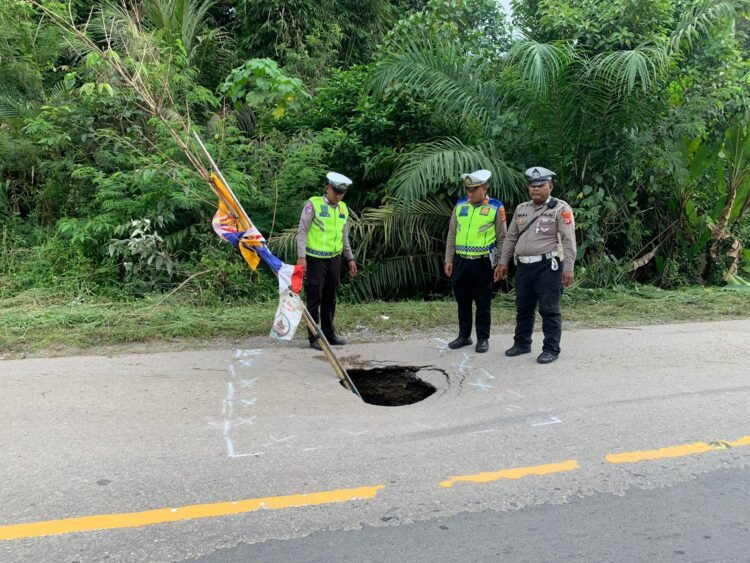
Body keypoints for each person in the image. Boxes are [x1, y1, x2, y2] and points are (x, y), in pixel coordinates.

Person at [497, 166, 576, 364]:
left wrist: (568, 268)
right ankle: (522, 343)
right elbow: (511, 237)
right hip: (524, 266)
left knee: (549, 309)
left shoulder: (560, 209)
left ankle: (551, 349)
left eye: (541, 185)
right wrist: (503, 261)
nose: (536, 189)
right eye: (532, 186)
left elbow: (568, 239)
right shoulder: (522, 209)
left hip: (547, 266)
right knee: (523, 307)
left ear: (550, 187)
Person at [444, 169, 507, 353]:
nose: (470, 194)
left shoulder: (495, 207)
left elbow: (502, 238)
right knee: (462, 300)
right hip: (461, 260)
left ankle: (483, 338)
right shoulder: (460, 205)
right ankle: (464, 336)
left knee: (483, 302)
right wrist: (449, 259)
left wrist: (500, 263)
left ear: (484, 189)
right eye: (468, 190)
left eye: (474, 190)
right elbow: (452, 233)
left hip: (482, 262)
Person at [296, 172, 358, 350]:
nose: (338, 196)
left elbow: (344, 236)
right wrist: (301, 257)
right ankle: (314, 337)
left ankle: (329, 333)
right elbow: (302, 231)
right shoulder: (313, 204)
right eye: (336, 192)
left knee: (330, 298)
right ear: (328, 188)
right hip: (315, 260)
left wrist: (350, 258)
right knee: (314, 298)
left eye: (342, 193)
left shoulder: (343, 209)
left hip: (334, 259)